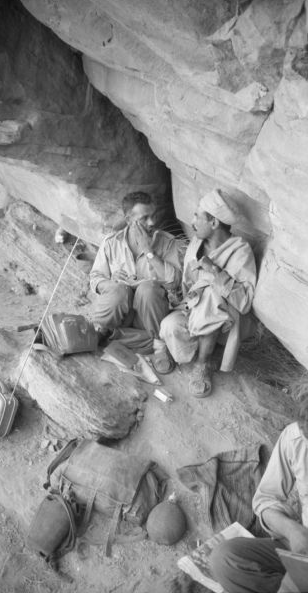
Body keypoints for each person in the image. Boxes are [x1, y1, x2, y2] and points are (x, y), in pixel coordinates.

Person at [160, 188, 256, 397]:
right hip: (193, 308)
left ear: (214, 223)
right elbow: (187, 285)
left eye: (197, 216)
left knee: (212, 298)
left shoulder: (241, 251)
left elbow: (245, 302)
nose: (192, 221)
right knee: (169, 326)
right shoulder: (196, 244)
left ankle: (202, 365)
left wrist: (215, 272)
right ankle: (196, 351)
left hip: (224, 320)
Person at [210, 389, 308, 593]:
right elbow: (265, 500)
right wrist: (293, 530)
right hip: (303, 546)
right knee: (225, 559)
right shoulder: (296, 438)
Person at [90, 191, 184, 373]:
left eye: (153, 216)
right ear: (128, 219)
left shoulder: (167, 242)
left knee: (148, 288)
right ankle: (152, 343)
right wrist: (113, 284)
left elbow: (175, 282)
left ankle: (141, 343)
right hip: (120, 316)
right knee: (119, 291)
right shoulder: (111, 243)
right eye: (144, 218)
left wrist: (149, 252)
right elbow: (95, 278)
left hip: (149, 318)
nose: (152, 223)